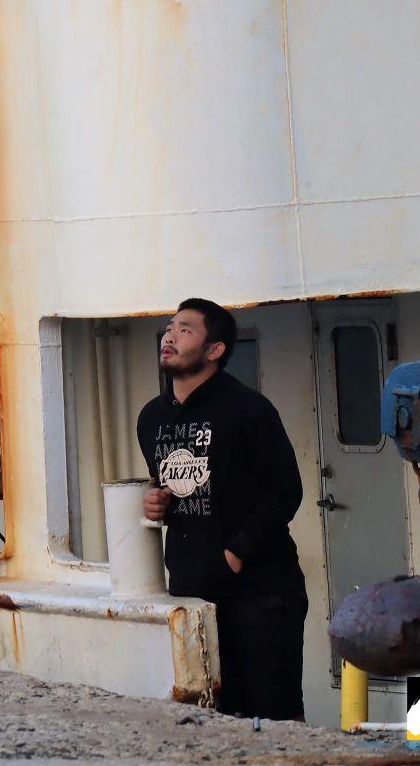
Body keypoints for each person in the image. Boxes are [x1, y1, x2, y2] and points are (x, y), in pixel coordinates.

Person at [136, 298, 307, 720]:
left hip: (260, 595)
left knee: (273, 719)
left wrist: (236, 554)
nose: (170, 335)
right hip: (192, 595)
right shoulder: (151, 418)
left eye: (186, 329)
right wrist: (156, 501)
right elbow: (173, 488)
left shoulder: (249, 410)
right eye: (170, 326)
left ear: (215, 351)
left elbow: (286, 491)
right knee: (211, 718)